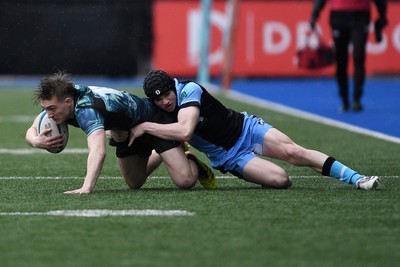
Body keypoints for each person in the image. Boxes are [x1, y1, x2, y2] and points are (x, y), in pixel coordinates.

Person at [128, 70, 379, 190]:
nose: (165, 102)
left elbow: (184, 131)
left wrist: (146, 126)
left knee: (294, 153)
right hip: (230, 157)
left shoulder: (188, 89)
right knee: (281, 180)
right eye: (158, 100)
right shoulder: (157, 107)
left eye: (167, 95)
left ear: (173, 86)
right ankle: (191, 160)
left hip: (246, 129)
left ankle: (357, 179)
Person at [25, 71, 216, 194]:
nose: (48, 114)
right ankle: (162, 154)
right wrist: (36, 141)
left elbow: (98, 151)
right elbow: (33, 128)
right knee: (135, 183)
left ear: (68, 102)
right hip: (125, 130)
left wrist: (86, 187)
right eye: (46, 109)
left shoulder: (86, 110)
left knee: (185, 180)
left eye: (51, 109)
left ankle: (189, 160)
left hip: (153, 119)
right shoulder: (64, 96)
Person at [310, 0, 388, 112]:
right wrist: (314, 15)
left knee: (359, 57)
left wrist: (382, 15)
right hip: (340, 15)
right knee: (341, 60)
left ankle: (357, 99)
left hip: (360, 15)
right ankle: (344, 99)